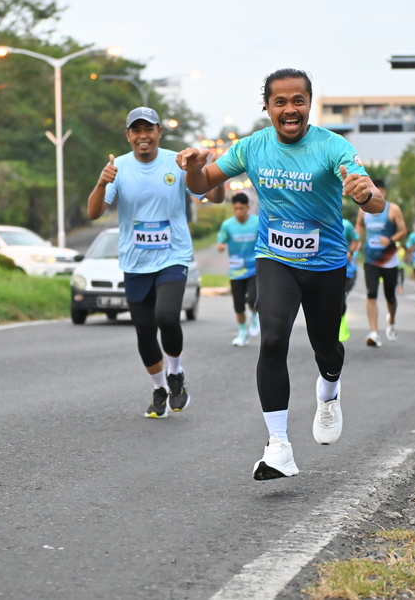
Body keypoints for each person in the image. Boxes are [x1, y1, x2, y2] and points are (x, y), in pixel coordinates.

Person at [176, 68, 384, 481]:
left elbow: (374, 200)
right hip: (275, 257)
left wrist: (366, 194)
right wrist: (194, 167)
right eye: (280, 102)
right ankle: (278, 446)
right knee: (272, 339)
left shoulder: (332, 146)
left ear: (310, 104)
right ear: (267, 107)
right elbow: (202, 185)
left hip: (325, 263)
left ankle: (329, 391)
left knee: (326, 349)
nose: (290, 109)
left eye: (298, 101)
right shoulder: (251, 146)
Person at [87, 106, 225, 418]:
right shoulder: (118, 168)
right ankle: (159, 388)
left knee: (167, 316)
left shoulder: (178, 162)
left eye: (148, 129)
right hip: (135, 262)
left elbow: (214, 197)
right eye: (136, 130)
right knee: (144, 331)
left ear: (159, 132)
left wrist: (213, 173)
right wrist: (101, 183)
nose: (143, 136)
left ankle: (175, 373)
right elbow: (94, 213)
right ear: (128, 136)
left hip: (172, 256)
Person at [354, 179, 407, 348]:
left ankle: (391, 320)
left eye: (377, 190)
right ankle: (374, 332)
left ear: (383, 192)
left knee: (390, 296)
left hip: (389, 260)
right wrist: (357, 240)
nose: (374, 193)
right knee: (371, 294)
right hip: (370, 259)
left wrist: (390, 240)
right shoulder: (363, 210)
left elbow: (403, 231)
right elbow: (359, 226)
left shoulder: (393, 209)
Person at [216, 192, 260, 346]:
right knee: (238, 305)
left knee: (253, 299)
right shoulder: (227, 225)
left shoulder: (257, 222)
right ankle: (242, 334)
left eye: (241, 208)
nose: (238, 211)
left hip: (254, 267)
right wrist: (221, 246)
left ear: (248, 207)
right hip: (236, 270)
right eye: (235, 208)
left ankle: (254, 316)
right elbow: (220, 242)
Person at [340, 217, 361, 343]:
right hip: (323, 267)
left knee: (340, 296)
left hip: (346, 269)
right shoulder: (318, 220)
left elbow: (356, 240)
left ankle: (341, 322)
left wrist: (351, 252)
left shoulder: (346, 224)